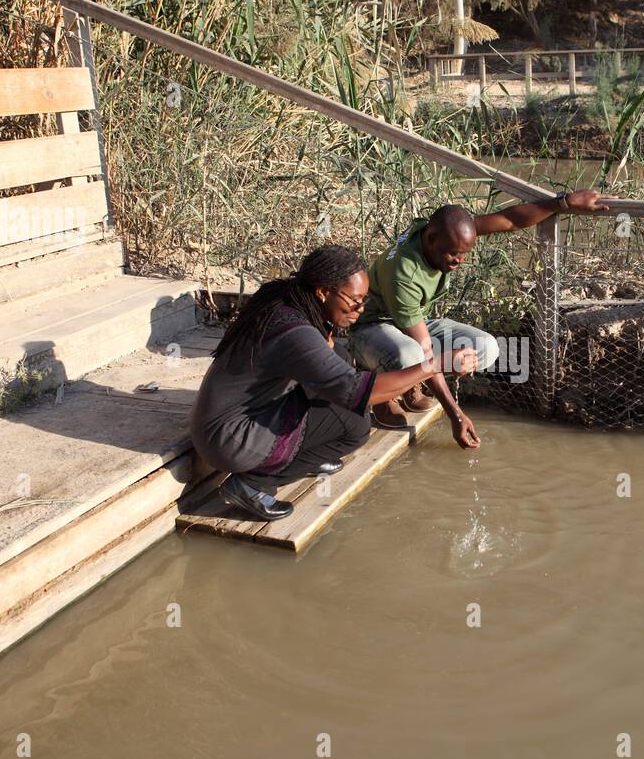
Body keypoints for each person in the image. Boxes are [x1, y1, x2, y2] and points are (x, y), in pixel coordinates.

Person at [189, 245, 477, 521]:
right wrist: (436, 364)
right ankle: (253, 484)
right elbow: (357, 393)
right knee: (355, 424)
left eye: (365, 300)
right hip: (230, 438)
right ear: (323, 292)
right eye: (355, 300)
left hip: (234, 416)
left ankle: (301, 458)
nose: (361, 308)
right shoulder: (294, 332)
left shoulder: (287, 300)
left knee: (338, 355)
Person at [350, 189, 609, 448]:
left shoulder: (444, 231)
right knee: (410, 355)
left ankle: (411, 380)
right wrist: (456, 414)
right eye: (453, 253)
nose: (459, 261)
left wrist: (562, 203)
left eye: (464, 253)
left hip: (413, 321)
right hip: (371, 327)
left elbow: (509, 220)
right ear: (430, 239)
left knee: (486, 348)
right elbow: (425, 350)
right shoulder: (404, 275)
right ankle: (383, 388)